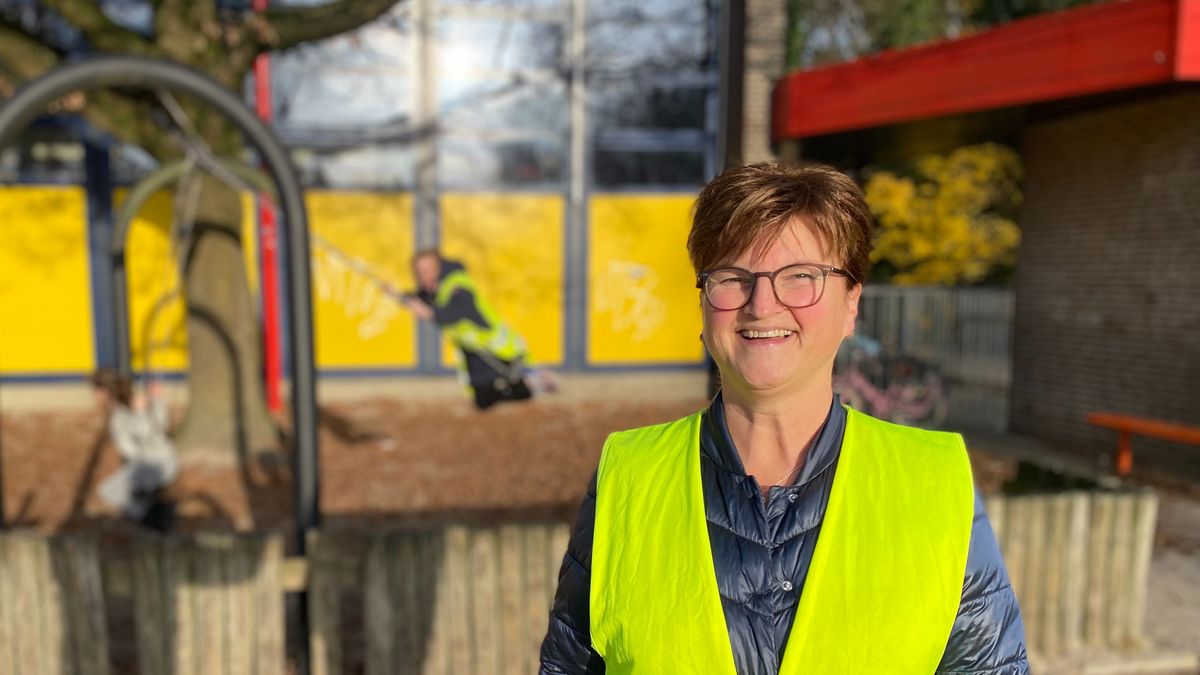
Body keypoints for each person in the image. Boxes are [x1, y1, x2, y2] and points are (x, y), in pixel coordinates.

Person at [539, 163, 1028, 674]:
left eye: (800, 277)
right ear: (705, 304)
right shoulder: (628, 476)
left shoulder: (934, 480)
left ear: (851, 304)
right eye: (733, 278)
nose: (762, 304)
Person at [398, 249, 554, 411]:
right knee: (482, 400)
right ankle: (526, 383)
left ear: (439, 268)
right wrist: (401, 297)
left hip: (496, 349)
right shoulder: (436, 288)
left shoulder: (458, 285)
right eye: (418, 272)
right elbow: (422, 298)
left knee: (514, 388)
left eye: (426, 270)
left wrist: (428, 313)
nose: (422, 276)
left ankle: (534, 380)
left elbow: (452, 313)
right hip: (475, 351)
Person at [91, 368, 179, 531]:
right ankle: (157, 512)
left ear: (103, 391)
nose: (94, 396)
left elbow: (133, 447)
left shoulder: (123, 413)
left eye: (96, 391)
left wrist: (150, 405)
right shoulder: (122, 411)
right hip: (155, 461)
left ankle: (159, 518)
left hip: (158, 463)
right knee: (116, 491)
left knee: (110, 492)